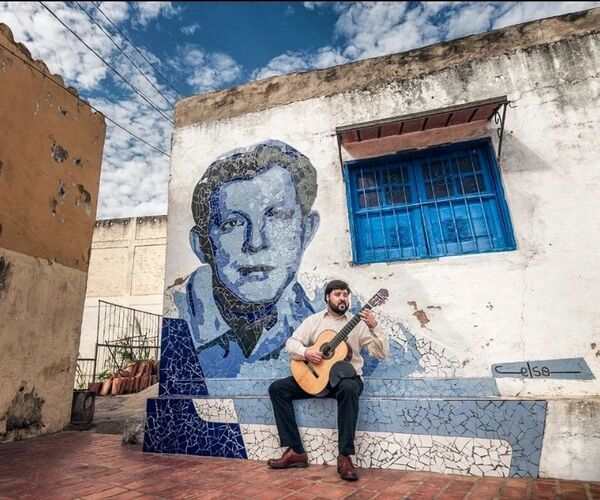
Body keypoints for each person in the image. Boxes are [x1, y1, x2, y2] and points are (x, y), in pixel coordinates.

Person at [170, 140, 321, 378]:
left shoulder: (320, 321)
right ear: (202, 245)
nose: (255, 242)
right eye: (233, 223)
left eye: (277, 216)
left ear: (307, 231)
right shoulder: (176, 326)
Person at [267, 279, 389, 481]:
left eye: (345, 295)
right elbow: (291, 344)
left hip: (344, 381)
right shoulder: (314, 321)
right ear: (327, 297)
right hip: (317, 379)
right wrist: (306, 353)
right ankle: (295, 451)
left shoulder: (357, 323)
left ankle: (344, 456)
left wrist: (375, 327)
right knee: (277, 389)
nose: (343, 298)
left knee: (350, 388)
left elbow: (381, 354)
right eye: (338, 294)